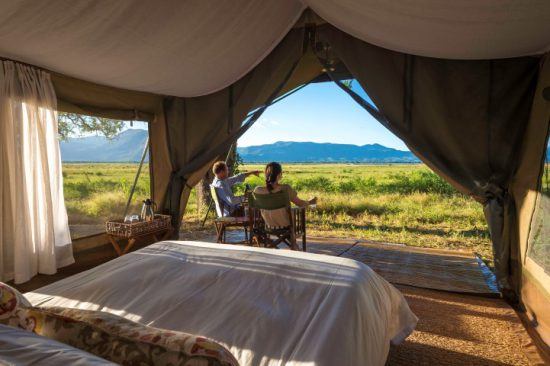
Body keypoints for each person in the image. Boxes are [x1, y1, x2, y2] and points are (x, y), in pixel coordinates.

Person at [253, 162, 317, 228]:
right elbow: (300, 203)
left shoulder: (257, 190)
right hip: (286, 226)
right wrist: (310, 202)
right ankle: (292, 237)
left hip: (269, 225)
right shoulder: (285, 188)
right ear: (279, 175)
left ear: (266, 175)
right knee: (294, 210)